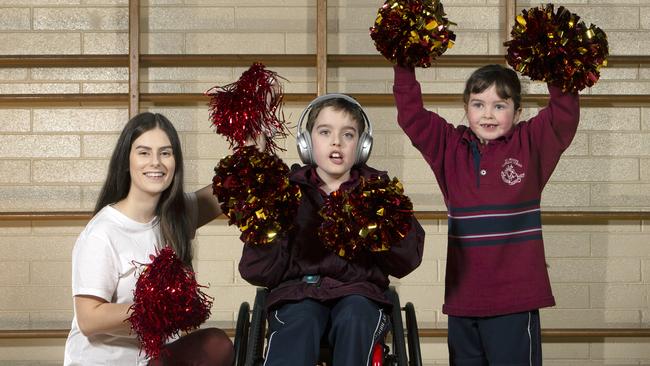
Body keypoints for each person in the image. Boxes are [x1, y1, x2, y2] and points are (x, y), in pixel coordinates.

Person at [392, 63, 580, 365]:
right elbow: (412, 117)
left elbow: (563, 116)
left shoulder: (531, 144)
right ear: (466, 107)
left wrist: (559, 66)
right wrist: (404, 65)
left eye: (500, 105)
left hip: (514, 302)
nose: (488, 114)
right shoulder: (449, 146)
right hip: (463, 302)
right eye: (478, 104)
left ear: (517, 112)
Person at [236, 94, 425, 366]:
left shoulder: (377, 192)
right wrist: (268, 217)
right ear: (306, 142)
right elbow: (257, 270)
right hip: (298, 294)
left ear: (362, 146)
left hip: (359, 294)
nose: (336, 142)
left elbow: (406, 259)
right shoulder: (286, 192)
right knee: (301, 321)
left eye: (348, 135)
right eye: (325, 132)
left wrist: (379, 222)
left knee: (356, 316)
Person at [63, 112, 234, 366]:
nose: (156, 162)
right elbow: (89, 319)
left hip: (152, 360)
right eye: (144, 153)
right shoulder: (102, 232)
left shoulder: (175, 216)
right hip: (103, 362)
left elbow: (230, 190)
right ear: (126, 161)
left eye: (165, 153)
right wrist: (156, 309)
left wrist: (254, 147)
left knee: (216, 345)